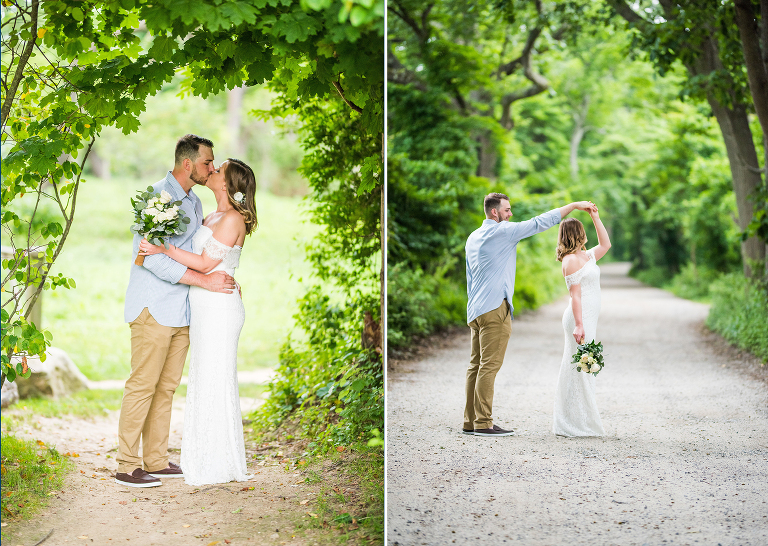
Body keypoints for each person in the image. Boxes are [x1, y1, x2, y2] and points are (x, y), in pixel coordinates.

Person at [117, 135, 237, 488]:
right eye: (207, 163)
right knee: (142, 385)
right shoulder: (158, 197)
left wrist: (223, 276)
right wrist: (204, 283)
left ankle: (154, 459)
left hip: (183, 310)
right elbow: (150, 259)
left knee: (166, 387)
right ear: (188, 164)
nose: (211, 168)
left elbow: (201, 254)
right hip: (153, 305)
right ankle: (126, 465)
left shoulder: (196, 202)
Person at [138, 158, 257, 486]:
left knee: (216, 378)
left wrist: (165, 248)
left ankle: (220, 463)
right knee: (202, 378)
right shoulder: (211, 214)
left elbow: (206, 264)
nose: (213, 169)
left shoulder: (234, 218)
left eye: (220, 169)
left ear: (227, 184)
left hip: (220, 307)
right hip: (202, 307)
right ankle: (203, 456)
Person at [463, 193, 597, 437]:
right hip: (494, 309)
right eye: (507, 210)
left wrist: (471, 307)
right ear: (495, 212)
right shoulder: (503, 232)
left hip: (475, 309)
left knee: (475, 365)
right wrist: (575, 206)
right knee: (489, 366)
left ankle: (470, 421)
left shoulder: (473, 237)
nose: (510, 214)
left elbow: (470, 276)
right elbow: (540, 222)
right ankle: (484, 423)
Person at [552, 206, 611, 437]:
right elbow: (575, 295)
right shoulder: (570, 261)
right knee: (580, 367)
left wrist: (596, 217)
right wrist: (579, 324)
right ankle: (575, 422)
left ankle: (582, 418)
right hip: (579, 320)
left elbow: (606, 245)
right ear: (578, 234)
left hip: (589, 320)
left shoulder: (586, 256)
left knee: (586, 367)